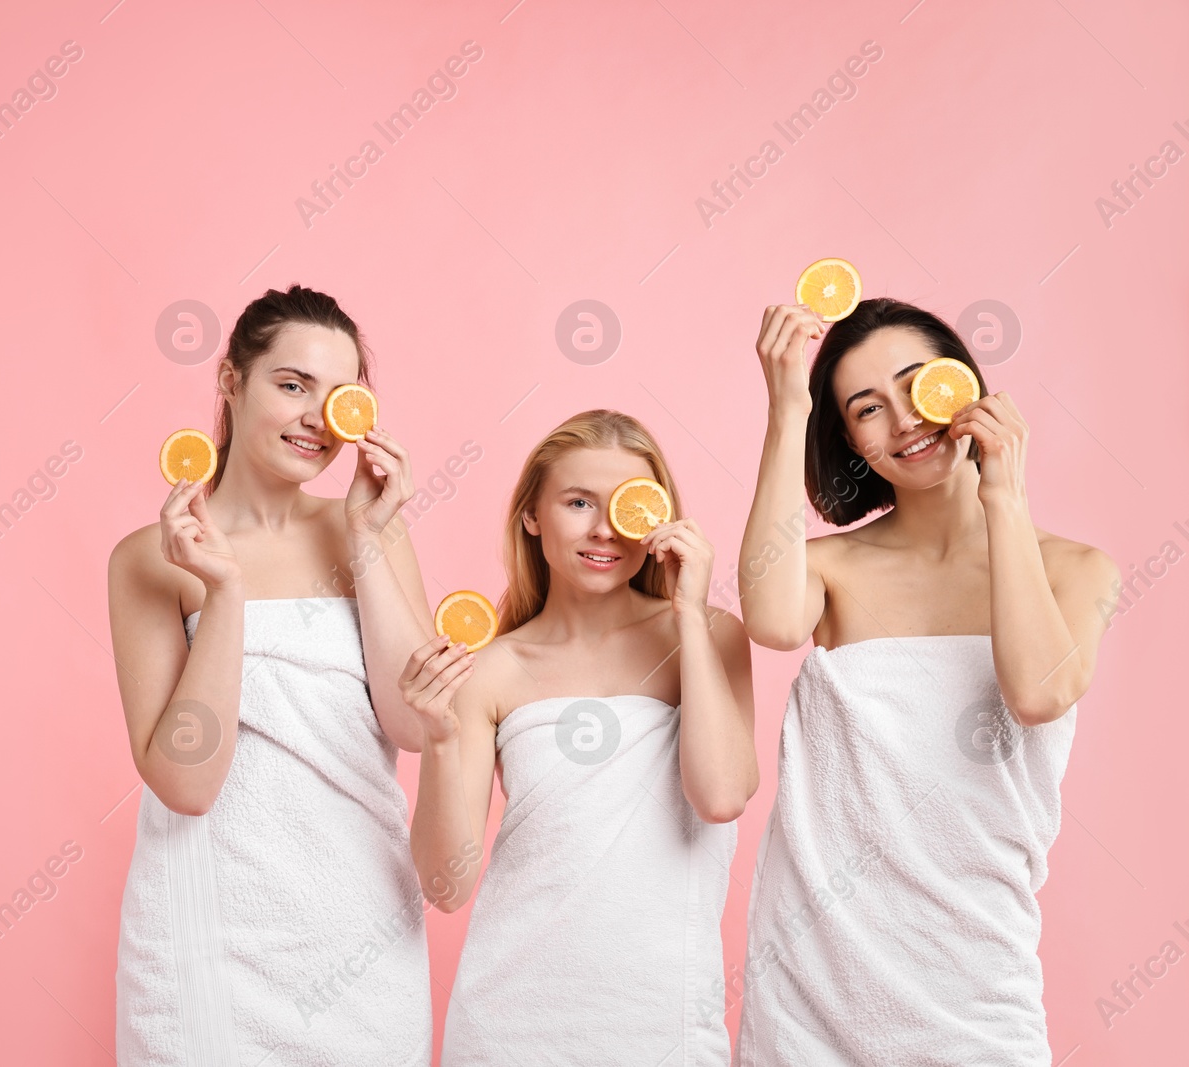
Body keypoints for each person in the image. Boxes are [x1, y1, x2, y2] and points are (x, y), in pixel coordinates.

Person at [733, 299, 1120, 1064]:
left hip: (976, 984)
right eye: (866, 408)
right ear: (847, 439)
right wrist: (786, 408)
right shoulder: (832, 570)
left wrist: (1002, 494)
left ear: (966, 384)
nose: (907, 419)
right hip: (813, 993)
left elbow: (1038, 691)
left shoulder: (1077, 570)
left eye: (920, 384)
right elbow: (774, 621)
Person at [107, 284, 435, 1065]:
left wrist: (365, 539)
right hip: (208, 944)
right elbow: (186, 782)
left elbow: (418, 723)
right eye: (291, 385)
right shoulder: (152, 558)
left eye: (339, 395)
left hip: (361, 931)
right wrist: (223, 593)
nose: (317, 418)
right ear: (231, 382)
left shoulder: (371, 531)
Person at [401, 409, 758, 1065]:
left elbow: (722, 794)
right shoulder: (491, 667)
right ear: (532, 514)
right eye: (576, 502)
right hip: (508, 1026)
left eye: (626, 506)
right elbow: (444, 888)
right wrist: (441, 737)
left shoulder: (710, 636)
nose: (603, 529)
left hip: (661, 1024)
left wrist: (687, 616)